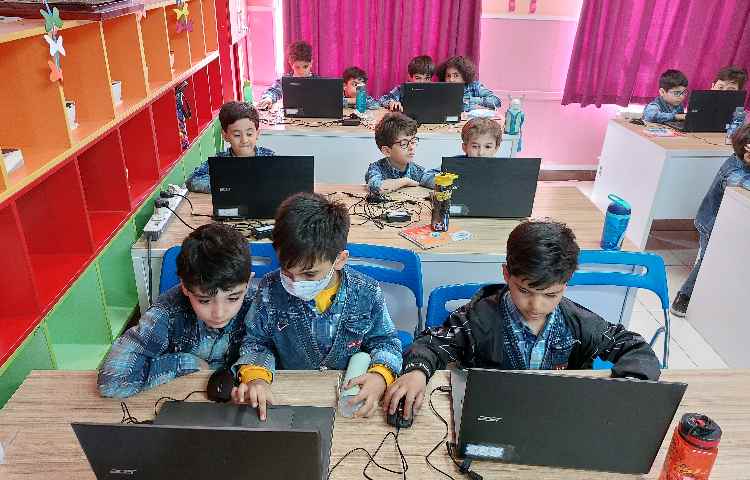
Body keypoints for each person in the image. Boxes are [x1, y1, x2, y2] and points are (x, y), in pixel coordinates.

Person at [383, 219, 662, 419]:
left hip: (556, 414)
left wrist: (631, 386)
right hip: (491, 412)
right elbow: (432, 344)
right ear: (506, 274)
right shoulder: (476, 318)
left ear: (566, 284)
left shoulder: (579, 323)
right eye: (525, 291)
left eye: (551, 295)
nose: (536, 305)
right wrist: (417, 371)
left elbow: (634, 347)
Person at [231, 193, 402, 420]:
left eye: (309, 274)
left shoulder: (366, 292)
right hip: (290, 397)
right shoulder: (270, 290)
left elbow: (386, 341)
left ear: (339, 260)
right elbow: (256, 342)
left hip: (347, 402)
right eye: (286, 271)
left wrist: (380, 376)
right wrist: (256, 378)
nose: (295, 282)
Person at [98, 223, 253, 398]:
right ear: (184, 287)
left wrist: (257, 377)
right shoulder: (168, 312)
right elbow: (112, 381)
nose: (219, 313)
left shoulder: (257, 304)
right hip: (182, 395)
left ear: (248, 284)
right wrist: (188, 363)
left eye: (233, 298)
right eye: (204, 300)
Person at [670, 124, 750, 317]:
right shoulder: (734, 166)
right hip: (711, 224)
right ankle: (684, 295)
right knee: (708, 260)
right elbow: (739, 182)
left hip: (733, 224)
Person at [186, 101, 274, 193]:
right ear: (225, 136)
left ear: (257, 134)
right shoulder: (220, 161)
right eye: (237, 135)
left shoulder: (269, 157)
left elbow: (280, 181)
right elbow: (192, 180)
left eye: (249, 134)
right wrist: (228, 185)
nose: (244, 140)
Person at [365, 112, 435, 194]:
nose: (411, 147)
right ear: (387, 151)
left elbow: (438, 183)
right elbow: (376, 187)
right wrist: (405, 181)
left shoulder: (417, 171)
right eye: (404, 144)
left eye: (413, 142)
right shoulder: (376, 169)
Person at [256, 41, 314, 109]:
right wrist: (268, 98)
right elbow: (273, 91)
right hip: (291, 113)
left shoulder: (318, 82)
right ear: (291, 64)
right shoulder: (285, 80)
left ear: (311, 63)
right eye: (297, 67)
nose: (301, 71)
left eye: (305, 66)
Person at [436, 55, 501, 112]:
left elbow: (496, 101)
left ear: (464, 76)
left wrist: (470, 99)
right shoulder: (441, 89)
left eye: (456, 76)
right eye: (448, 76)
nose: (451, 79)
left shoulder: (474, 86)